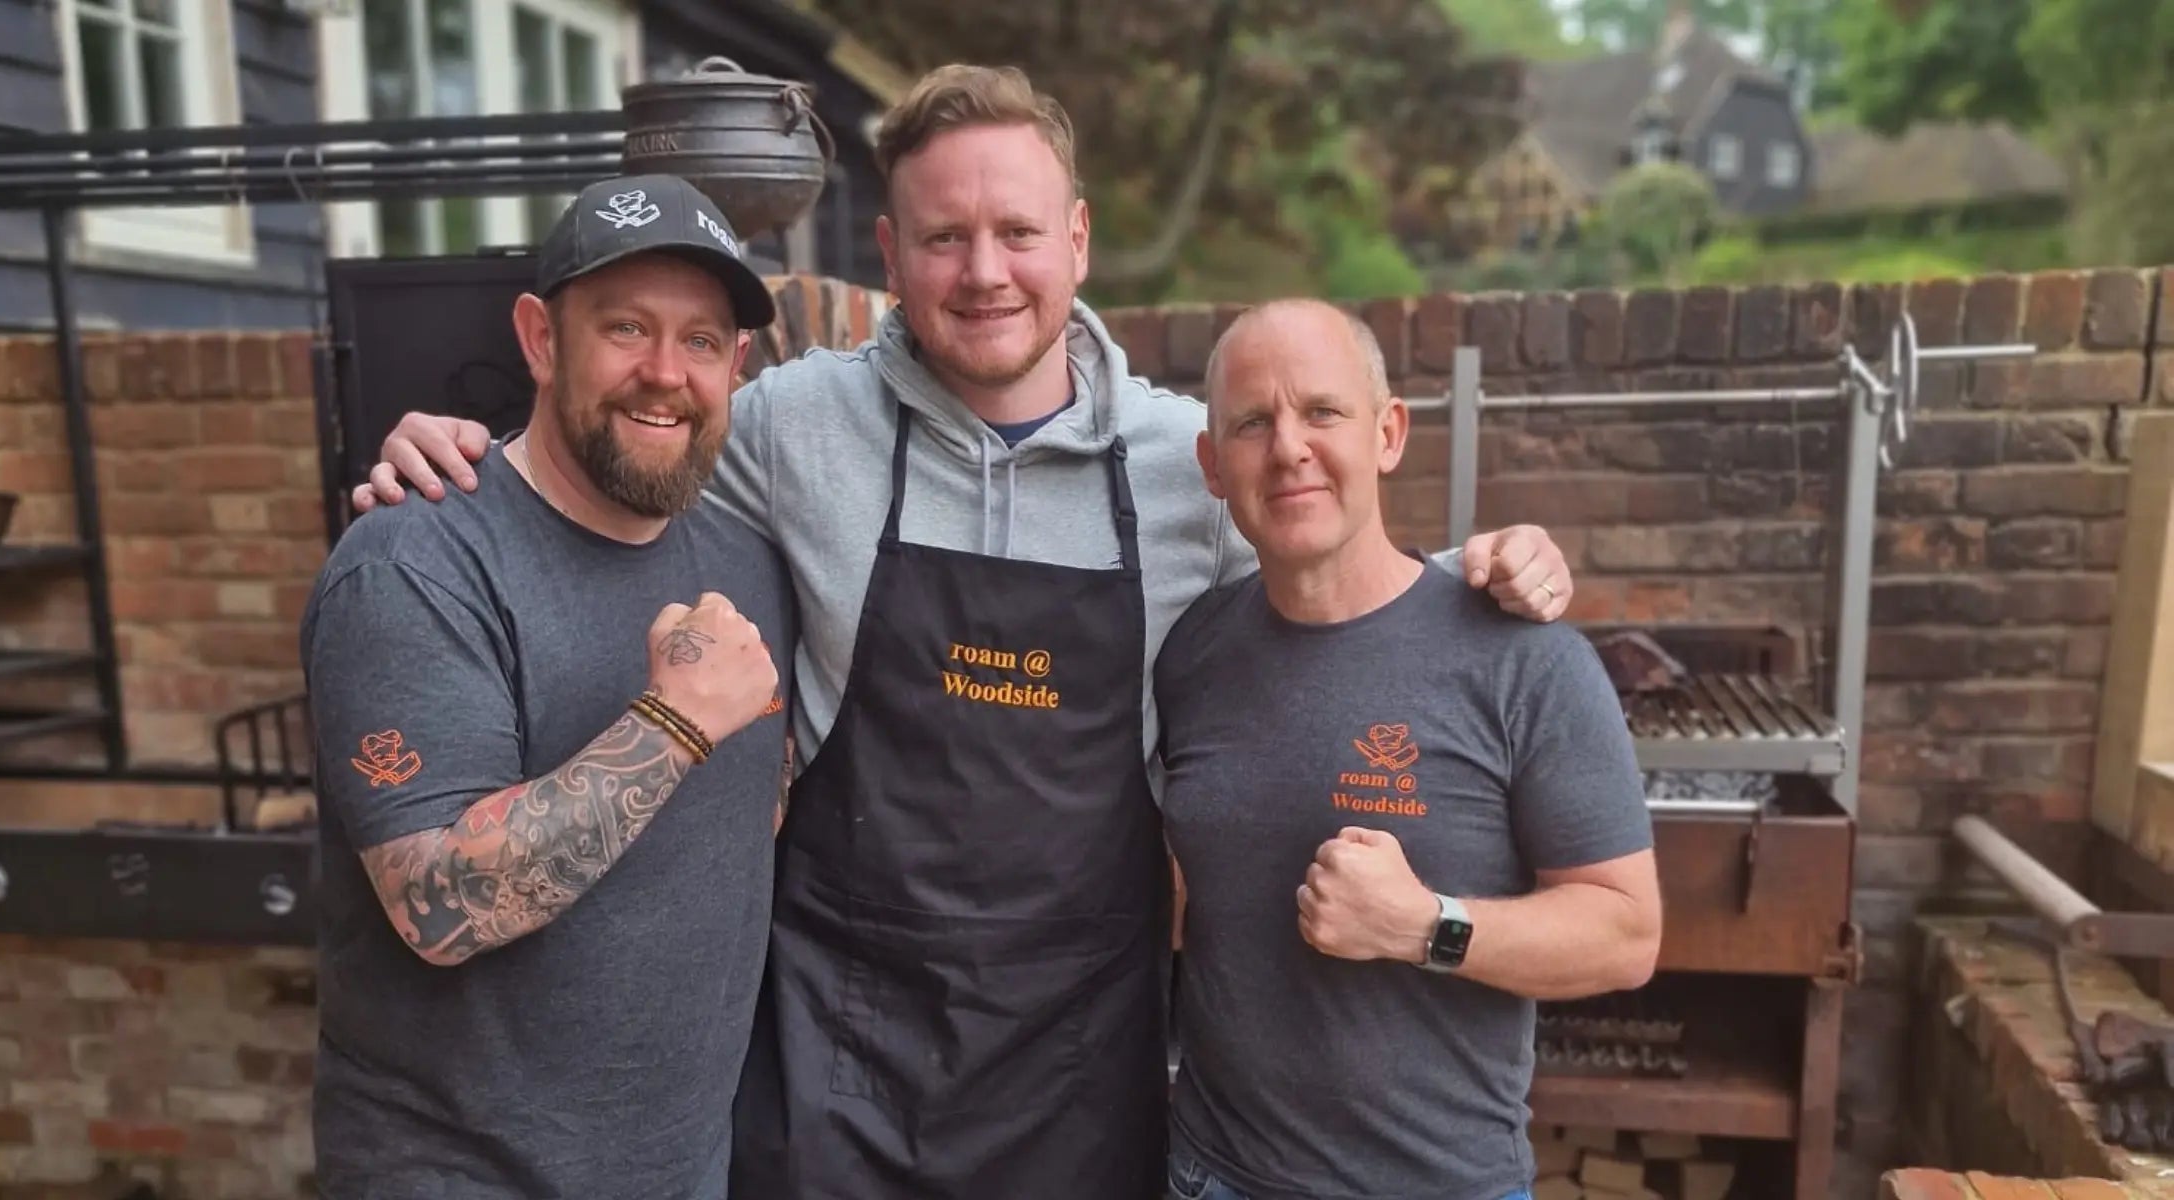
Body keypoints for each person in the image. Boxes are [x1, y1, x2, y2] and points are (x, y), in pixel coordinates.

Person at [347, 65, 1581, 1199]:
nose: (984, 270)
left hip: (1076, 1055)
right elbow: (627, 447)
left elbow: (1337, 567)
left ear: (1078, 242)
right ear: (891, 253)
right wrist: (469, 457)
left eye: (1018, 233)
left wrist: (1483, 570)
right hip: (838, 1045)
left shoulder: (1188, 461)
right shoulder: (785, 426)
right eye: (944, 237)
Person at [301, 174, 796, 1200]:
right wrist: (674, 721)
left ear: (735, 365)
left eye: (701, 341)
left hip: (682, 1167)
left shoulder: (746, 563)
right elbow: (440, 910)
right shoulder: (414, 563)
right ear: (539, 338)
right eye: (625, 327)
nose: (665, 373)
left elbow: (754, 811)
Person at [1153, 299, 1662, 1200]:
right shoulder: (1192, 655)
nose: (1288, 448)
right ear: (1212, 469)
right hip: (1210, 1177)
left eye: (1322, 411)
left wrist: (1428, 927)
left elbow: (1625, 934)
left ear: (1388, 433)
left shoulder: (1523, 658)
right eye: (1251, 423)